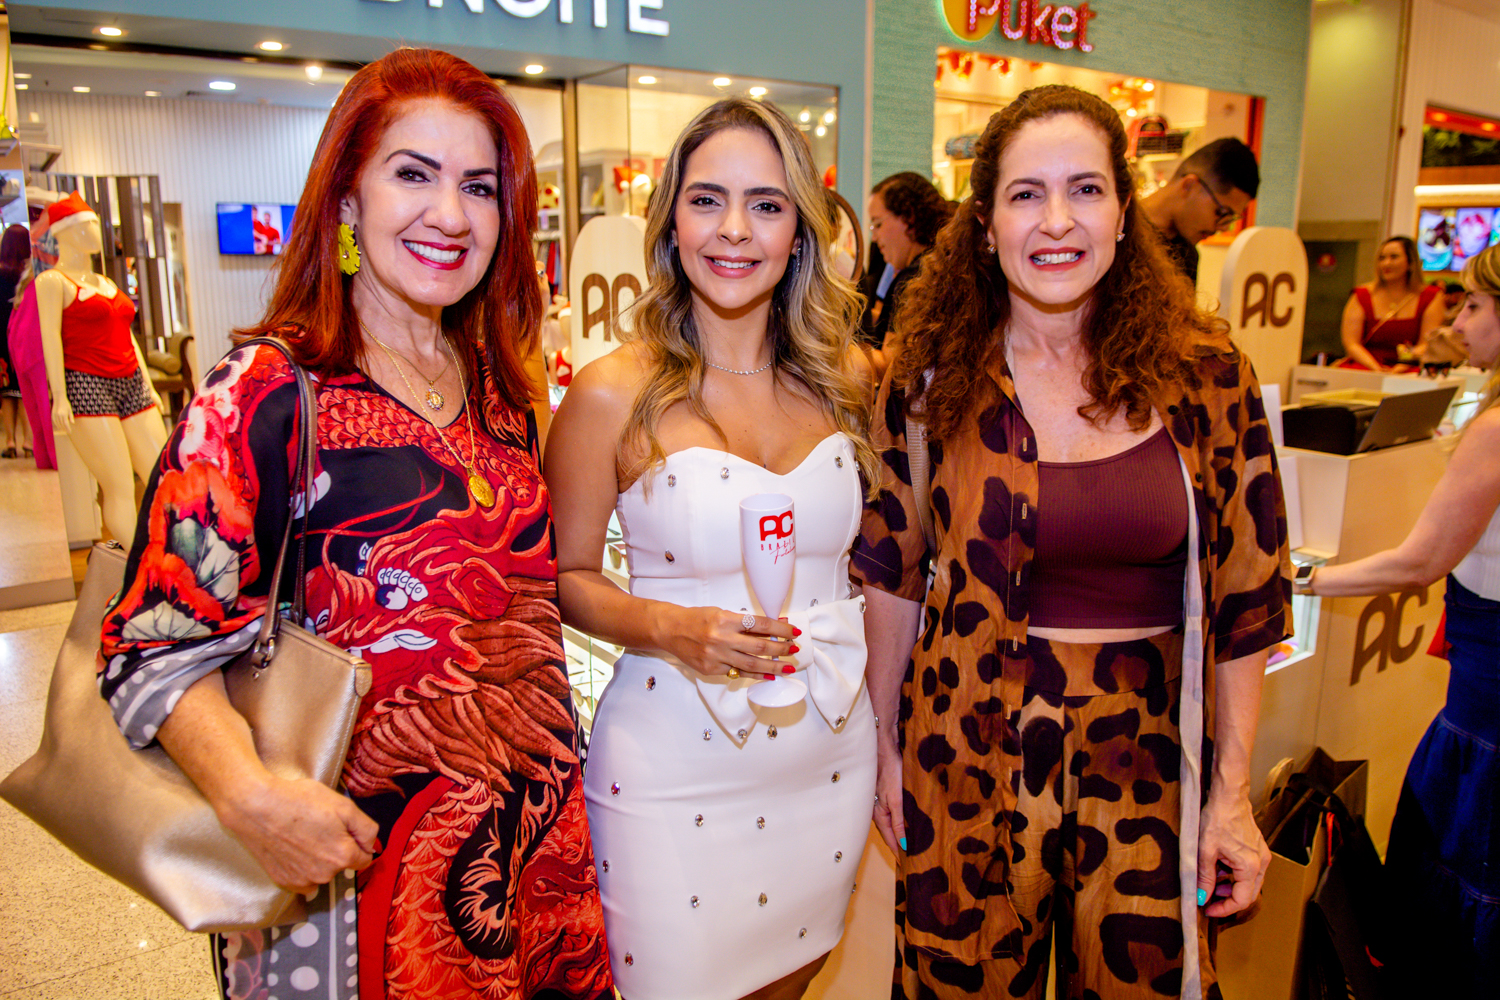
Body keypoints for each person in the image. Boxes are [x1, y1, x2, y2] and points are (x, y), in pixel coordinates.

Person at [98, 48, 612, 1000]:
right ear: (345, 199)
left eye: (479, 187)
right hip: (348, 889)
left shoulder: (505, 394)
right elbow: (147, 646)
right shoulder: (264, 393)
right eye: (413, 175)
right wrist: (249, 797)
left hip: (536, 872)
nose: (450, 215)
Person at [853, 84, 1290, 1000]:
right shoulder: (929, 379)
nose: (1057, 220)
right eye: (1026, 194)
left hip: (1150, 760)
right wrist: (884, 743)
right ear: (985, 225)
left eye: (1085, 189)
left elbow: (1250, 595)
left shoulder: (1207, 375)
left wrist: (1231, 795)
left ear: (1125, 213)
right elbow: (893, 569)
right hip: (963, 751)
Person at [545, 97, 878, 1000]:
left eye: (766, 205)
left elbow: (878, 563)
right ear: (671, 222)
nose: (735, 229)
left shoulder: (849, 380)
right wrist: (670, 627)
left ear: (800, 232)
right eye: (707, 200)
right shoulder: (611, 392)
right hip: (671, 768)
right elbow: (562, 577)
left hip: (828, 755)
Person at [1302, 242, 1500, 994]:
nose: (1459, 322)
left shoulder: (1495, 429)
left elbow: (1419, 562)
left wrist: (1303, 580)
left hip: (1486, 713)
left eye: (1474, 305)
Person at [1139, 137, 1260, 284]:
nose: (1224, 227)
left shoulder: (1187, 255)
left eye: (1231, 218)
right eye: (1222, 212)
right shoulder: (1121, 227)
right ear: (1189, 186)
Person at [862, 171, 952, 365]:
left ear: (908, 217)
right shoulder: (940, 265)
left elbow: (891, 364)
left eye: (878, 224)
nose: (875, 238)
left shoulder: (915, 279)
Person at [1338, 235, 1444, 371]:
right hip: (1365, 365)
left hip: (1410, 366)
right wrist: (1376, 368)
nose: (1386, 263)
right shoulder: (1361, 295)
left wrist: (1399, 368)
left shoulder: (1431, 296)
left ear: (1411, 262)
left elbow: (1426, 344)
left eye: (1394, 257)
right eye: (1382, 258)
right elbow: (1351, 343)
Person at [0, 223, 31, 458]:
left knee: (6, 392)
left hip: (1, 338)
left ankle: (10, 441)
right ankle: (29, 441)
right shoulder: (29, 275)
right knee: (24, 391)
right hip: (23, 337)